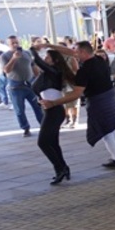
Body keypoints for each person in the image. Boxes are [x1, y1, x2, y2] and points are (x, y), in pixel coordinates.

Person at [38, 41, 115, 176]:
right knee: (111, 132)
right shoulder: (99, 60)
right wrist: (51, 46)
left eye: (76, 51)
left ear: (82, 52)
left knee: (107, 134)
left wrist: (53, 103)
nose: (74, 53)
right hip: (111, 100)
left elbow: (76, 94)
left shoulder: (85, 71)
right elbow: (70, 52)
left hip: (99, 104)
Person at [31, 46, 76, 184]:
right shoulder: (47, 73)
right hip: (49, 110)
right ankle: (63, 168)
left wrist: (33, 49)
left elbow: (38, 61)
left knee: (43, 142)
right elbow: (39, 90)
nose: (45, 59)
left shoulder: (54, 71)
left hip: (55, 111)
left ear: (54, 60)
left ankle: (60, 168)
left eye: (48, 57)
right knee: (53, 142)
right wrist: (39, 99)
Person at [1, 35, 43, 137]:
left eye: (16, 42)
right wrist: (14, 58)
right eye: (12, 43)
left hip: (30, 84)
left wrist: (40, 80)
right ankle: (25, 128)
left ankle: (44, 126)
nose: (15, 45)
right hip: (16, 86)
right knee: (19, 110)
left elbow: (33, 66)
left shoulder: (27, 53)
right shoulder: (5, 56)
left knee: (38, 106)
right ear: (9, 45)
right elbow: (6, 70)